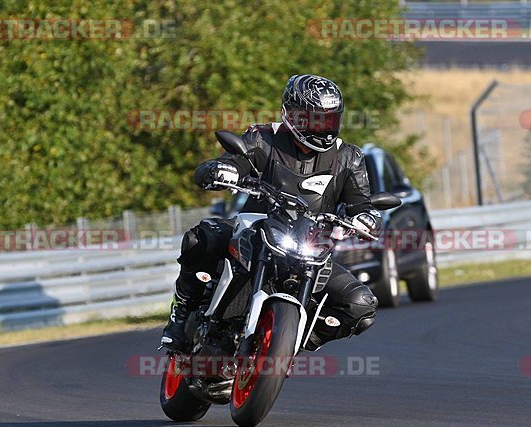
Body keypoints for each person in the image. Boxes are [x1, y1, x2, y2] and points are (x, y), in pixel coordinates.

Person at [162, 74, 382, 353]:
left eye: (329, 120)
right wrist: (223, 170)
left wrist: (367, 218)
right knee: (202, 238)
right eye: (314, 120)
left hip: (311, 249)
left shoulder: (349, 158)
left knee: (360, 305)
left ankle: (284, 343)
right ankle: (181, 316)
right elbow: (235, 161)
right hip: (256, 230)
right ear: (290, 114)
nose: (323, 129)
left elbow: (362, 204)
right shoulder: (263, 139)